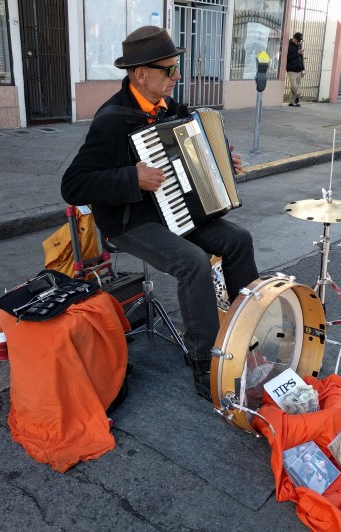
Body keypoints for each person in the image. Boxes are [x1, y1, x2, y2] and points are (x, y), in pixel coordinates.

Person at [60, 26, 259, 400]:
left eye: (175, 68)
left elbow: (197, 154)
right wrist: (130, 177)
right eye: (169, 70)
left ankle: (245, 335)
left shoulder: (174, 110)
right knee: (193, 262)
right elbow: (73, 184)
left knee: (238, 240)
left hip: (177, 213)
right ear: (141, 74)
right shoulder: (112, 121)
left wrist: (222, 163)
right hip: (129, 222)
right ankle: (205, 361)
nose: (177, 76)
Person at [286, 32, 305, 107]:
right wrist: (297, 53)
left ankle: (292, 102)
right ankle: (299, 95)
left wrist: (303, 68)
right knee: (294, 86)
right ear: (294, 38)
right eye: (298, 40)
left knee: (293, 87)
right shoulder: (288, 45)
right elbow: (287, 58)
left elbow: (301, 57)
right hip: (291, 69)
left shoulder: (299, 45)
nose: (299, 42)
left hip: (299, 69)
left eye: (300, 41)